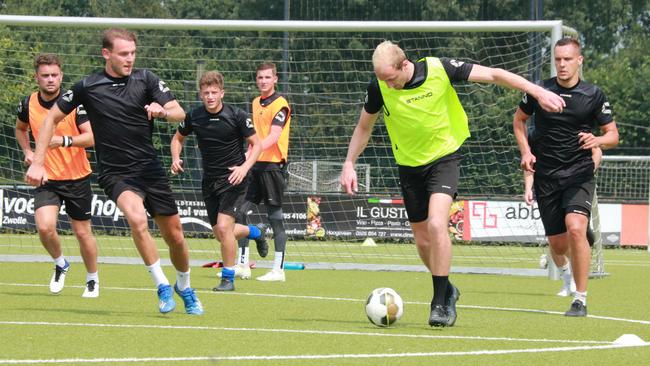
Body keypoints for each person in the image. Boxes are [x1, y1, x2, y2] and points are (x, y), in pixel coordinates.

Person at [340, 40, 566, 327]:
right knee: (422, 240)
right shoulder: (379, 88)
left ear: (404, 64)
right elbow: (364, 127)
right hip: (409, 166)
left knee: (437, 224)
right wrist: (349, 163)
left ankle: (438, 304)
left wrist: (537, 91)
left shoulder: (439, 69)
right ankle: (448, 289)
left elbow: (495, 74)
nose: (387, 84)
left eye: (390, 77)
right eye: (381, 78)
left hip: (444, 158)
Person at [25, 28, 203, 315]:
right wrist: (38, 161)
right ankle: (161, 285)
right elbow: (50, 120)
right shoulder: (87, 86)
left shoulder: (147, 79)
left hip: (150, 169)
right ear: (106, 53)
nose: (129, 59)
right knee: (136, 219)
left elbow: (180, 112)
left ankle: (184, 285)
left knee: (176, 237)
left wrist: (162, 111)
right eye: (123, 54)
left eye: (132, 53)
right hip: (116, 173)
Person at [513, 38, 619, 317]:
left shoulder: (593, 95)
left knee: (574, 228)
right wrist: (526, 152)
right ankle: (582, 239)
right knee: (559, 244)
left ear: (579, 61)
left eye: (567, 59)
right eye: (558, 59)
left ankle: (580, 299)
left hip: (578, 173)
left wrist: (597, 140)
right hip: (547, 176)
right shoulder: (540, 91)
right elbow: (518, 121)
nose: (562, 64)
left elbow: (613, 135)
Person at [170, 70, 264, 291]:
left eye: (214, 92)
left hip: (235, 178)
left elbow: (257, 144)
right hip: (209, 181)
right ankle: (255, 232)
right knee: (220, 233)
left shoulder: (237, 115)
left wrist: (244, 167)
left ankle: (228, 279)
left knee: (223, 229)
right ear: (201, 95)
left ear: (222, 93)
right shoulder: (194, 116)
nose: (210, 96)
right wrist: (176, 157)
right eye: (206, 93)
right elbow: (177, 138)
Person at [15, 53, 99, 298]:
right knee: (44, 228)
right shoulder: (27, 104)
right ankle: (61, 263)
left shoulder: (75, 103)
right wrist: (28, 151)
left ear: (61, 75)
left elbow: (92, 137)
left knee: (83, 233)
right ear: (37, 78)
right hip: (46, 178)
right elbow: (21, 129)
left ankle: (92, 278)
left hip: (77, 177)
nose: (50, 80)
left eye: (54, 75)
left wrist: (63, 140)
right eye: (45, 75)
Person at [234, 62, 293, 282]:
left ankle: (278, 270)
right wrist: (248, 155)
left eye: (267, 77)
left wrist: (254, 152)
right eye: (260, 78)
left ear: (275, 79)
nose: (263, 81)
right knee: (239, 212)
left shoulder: (281, 104)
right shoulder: (255, 102)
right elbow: (255, 137)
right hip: (255, 165)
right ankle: (243, 265)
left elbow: (273, 137)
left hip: (272, 167)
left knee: (275, 218)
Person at [523, 147, 601, 297]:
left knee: (573, 228)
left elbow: (597, 150)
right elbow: (529, 163)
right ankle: (566, 279)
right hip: (548, 188)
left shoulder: (577, 131)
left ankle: (575, 280)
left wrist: (588, 171)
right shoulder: (537, 134)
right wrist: (528, 188)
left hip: (574, 187)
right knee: (556, 242)